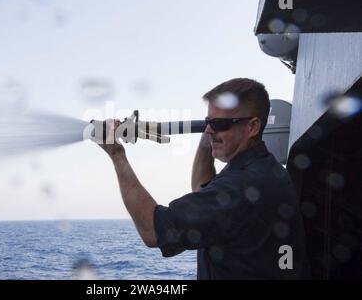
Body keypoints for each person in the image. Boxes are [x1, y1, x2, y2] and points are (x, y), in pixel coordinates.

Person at [96, 78, 309, 279]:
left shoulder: (241, 186)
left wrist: (117, 155)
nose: (209, 130)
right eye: (207, 122)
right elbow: (202, 187)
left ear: (252, 127)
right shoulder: (264, 169)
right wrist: (212, 132)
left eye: (219, 124)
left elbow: (153, 230)